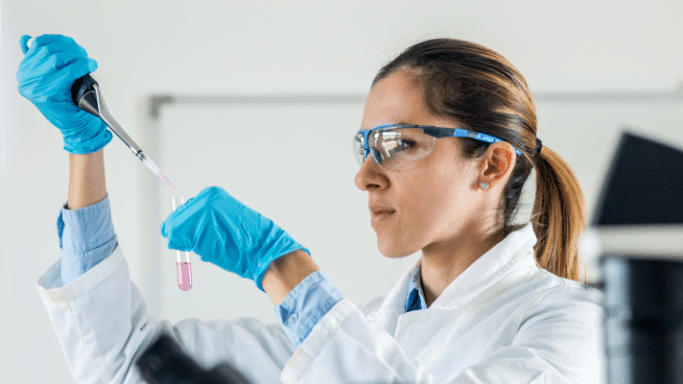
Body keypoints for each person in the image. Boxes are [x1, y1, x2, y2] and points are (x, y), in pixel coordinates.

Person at [21, 34, 605, 383]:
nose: (365, 176)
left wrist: (281, 265)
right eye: (365, 146)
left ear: (491, 165)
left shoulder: (574, 327)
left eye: (399, 143)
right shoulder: (361, 328)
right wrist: (85, 148)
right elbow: (125, 364)